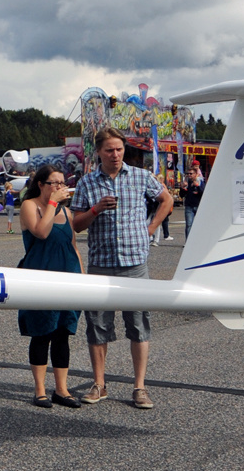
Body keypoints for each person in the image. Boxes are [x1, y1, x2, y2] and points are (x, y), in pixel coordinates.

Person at [70, 127, 172, 410]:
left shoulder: (140, 177)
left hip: (135, 263)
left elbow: (167, 200)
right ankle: (99, 384)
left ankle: (139, 386)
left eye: (119, 149)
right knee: (97, 326)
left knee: (139, 325)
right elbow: (75, 225)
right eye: (109, 150)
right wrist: (96, 210)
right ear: (98, 153)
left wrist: (150, 228)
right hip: (102, 264)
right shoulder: (87, 183)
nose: (115, 155)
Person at [18, 166, 83, 408]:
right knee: (41, 333)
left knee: (62, 334)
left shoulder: (66, 212)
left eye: (62, 183)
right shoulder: (30, 206)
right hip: (40, 279)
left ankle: (62, 389)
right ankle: (40, 390)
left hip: (68, 278)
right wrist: (53, 204)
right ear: (41, 184)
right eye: (54, 183)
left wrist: (83, 278)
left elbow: (73, 247)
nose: (59, 187)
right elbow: (41, 233)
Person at [181, 164, 205, 238]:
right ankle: (188, 242)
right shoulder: (186, 182)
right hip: (189, 206)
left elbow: (203, 193)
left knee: (198, 225)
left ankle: (197, 241)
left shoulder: (200, 182)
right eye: (188, 174)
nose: (189, 175)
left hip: (198, 205)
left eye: (191, 174)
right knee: (189, 224)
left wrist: (197, 186)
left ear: (195, 174)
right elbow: (181, 195)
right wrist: (182, 188)